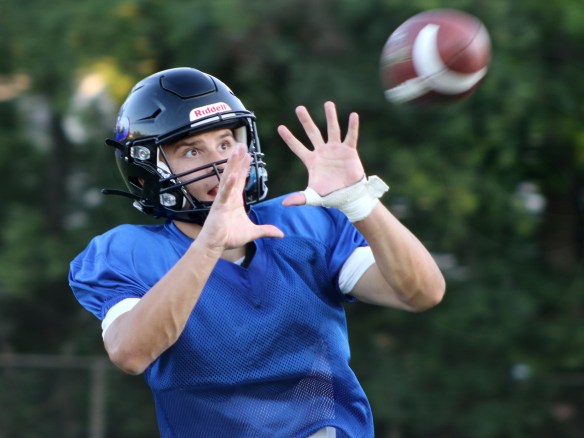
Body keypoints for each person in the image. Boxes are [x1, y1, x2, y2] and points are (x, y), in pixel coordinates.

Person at [68, 67, 445, 438]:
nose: (219, 163)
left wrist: (360, 203)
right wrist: (209, 244)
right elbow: (130, 353)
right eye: (191, 150)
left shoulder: (304, 225)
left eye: (226, 142)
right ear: (145, 172)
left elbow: (421, 292)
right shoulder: (129, 252)